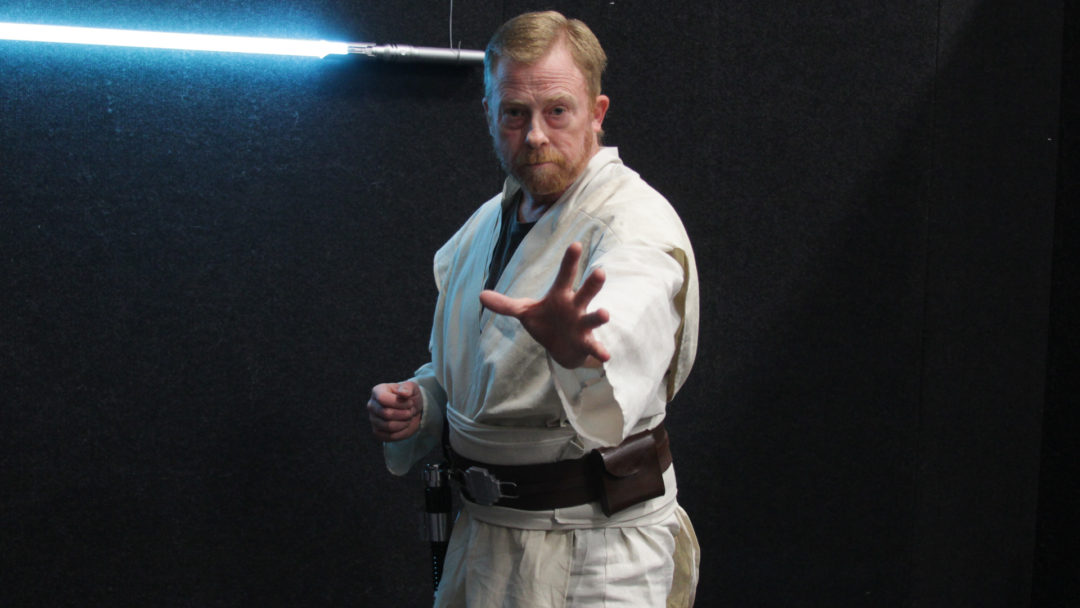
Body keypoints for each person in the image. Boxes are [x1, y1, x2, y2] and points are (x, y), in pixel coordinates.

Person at [367, 10, 700, 607]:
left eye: (557, 111)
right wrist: (425, 403)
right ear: (490, 114)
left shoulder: (634, 225)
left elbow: (625, 316)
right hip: (486, 542)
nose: (536, 135)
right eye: (515, 113)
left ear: (596, 112)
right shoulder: (485, 225)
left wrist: (582, 353)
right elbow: (474, 374)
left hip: (596, 556)